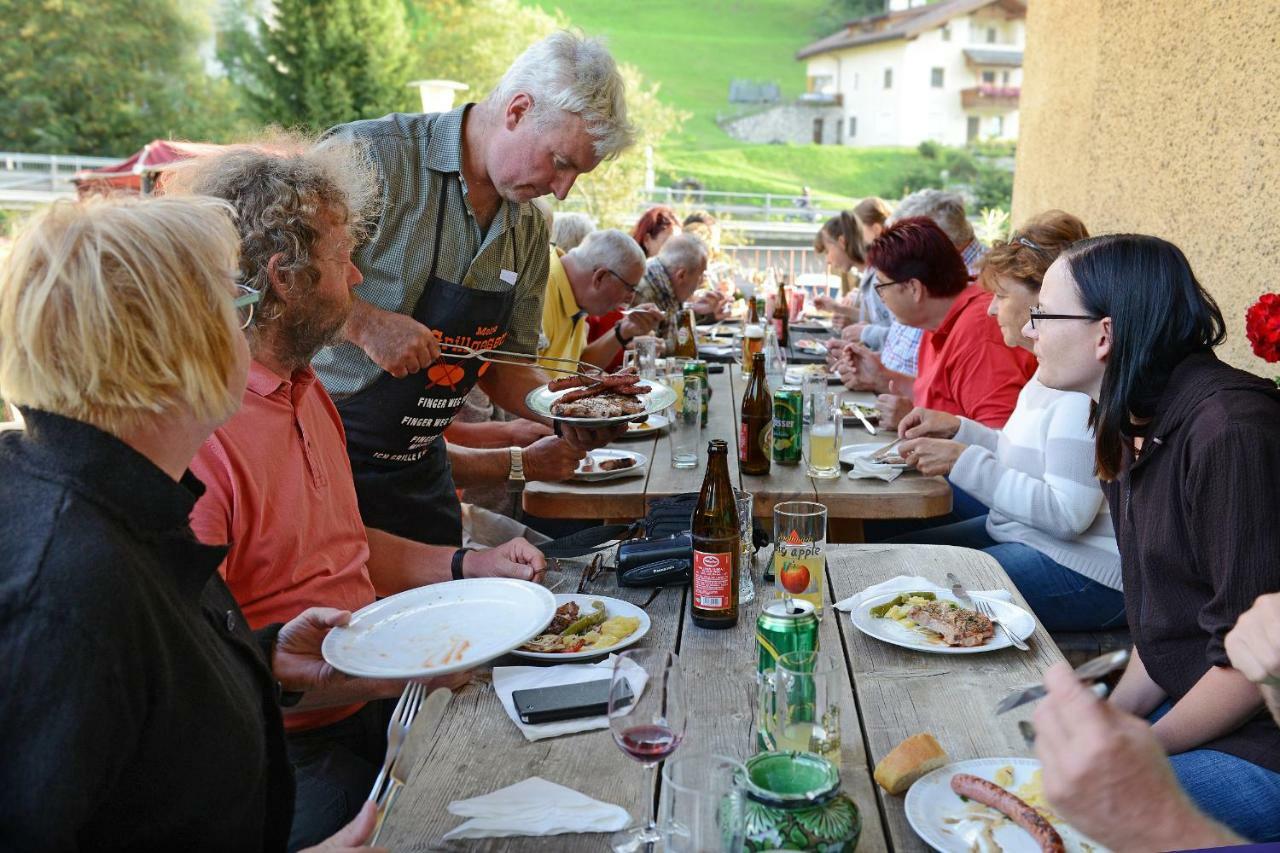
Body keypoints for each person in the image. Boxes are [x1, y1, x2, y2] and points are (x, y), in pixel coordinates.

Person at [174, 147, 546, 848]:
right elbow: (199, 673)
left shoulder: (311, 392)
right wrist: (383, 675)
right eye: (345, 257)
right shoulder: (202, 434)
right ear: (284, 280)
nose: (356, 276)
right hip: (290, 747)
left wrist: (467, 567)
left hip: (371, 702)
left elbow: (348, 547)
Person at [0, 196, 382, 852]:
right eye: (237, 308)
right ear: (169, 348)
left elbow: (138, 716)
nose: (251, 329)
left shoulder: (110, 491)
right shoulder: (68, 582)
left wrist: (261, 657)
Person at [313, 31, 634, 548]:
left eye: (577, 174)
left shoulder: (529, 229)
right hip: (322, 462)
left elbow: (507, 368)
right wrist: (365, 322)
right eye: (561, 161)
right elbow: (265, 272)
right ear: (518, 110)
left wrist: (567, 411)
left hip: (422, 470)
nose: (563, 188)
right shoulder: (372, 158)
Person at [1029, 233, 1280, 839]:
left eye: (1043, 312)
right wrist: (1113, 719)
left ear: (1104, 335)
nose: (1029, 328)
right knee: (1029, 780)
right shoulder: (1127, 418)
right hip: (1193, 715)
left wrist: (1138, 745)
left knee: (1061, 823)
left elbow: (1253, 664)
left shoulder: (1231, 432)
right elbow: (1164, 621)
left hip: (1260, 747)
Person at [887, 212, 1124, 631]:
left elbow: (1067, 516)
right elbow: (1028, 457)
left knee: (905, 591)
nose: (992, 307)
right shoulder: (1049, 369)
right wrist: (960, 429)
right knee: (891, 561)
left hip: (1085, 571)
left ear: (1042, 303)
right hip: (1030, 538)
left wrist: (962, 460)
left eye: (1002, 294)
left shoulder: (1076, 385)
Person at [1034, 591, 1280, 848]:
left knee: (1069, 811)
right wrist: (1110, 717)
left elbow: (1251, 676)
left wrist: (1151, 815)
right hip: (1190, 694)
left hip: (1260, 744)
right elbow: (1163, 632)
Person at [838, 218, 1036, 430]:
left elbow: (998, 437)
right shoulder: (938, 318)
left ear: (914, 288)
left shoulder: (978, 331)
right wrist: (881, 376)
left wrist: (917, 421)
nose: (881, 297)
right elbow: (939, 396)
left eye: (882, 286)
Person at [538, 228, 662, 370]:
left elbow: (578, 369)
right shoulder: (541, 292)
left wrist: (623, 330)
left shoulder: (575, 294)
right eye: (629, 288)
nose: (630, 299)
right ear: (600, 277)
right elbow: (519, 377)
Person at [633, 233, 715, 342]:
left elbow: (675, 328)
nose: (702, 282)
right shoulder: (646, 291)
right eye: (700, 275)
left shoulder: (662, 279)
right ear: (681, 275)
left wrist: (701, 312)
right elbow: (653, 350)